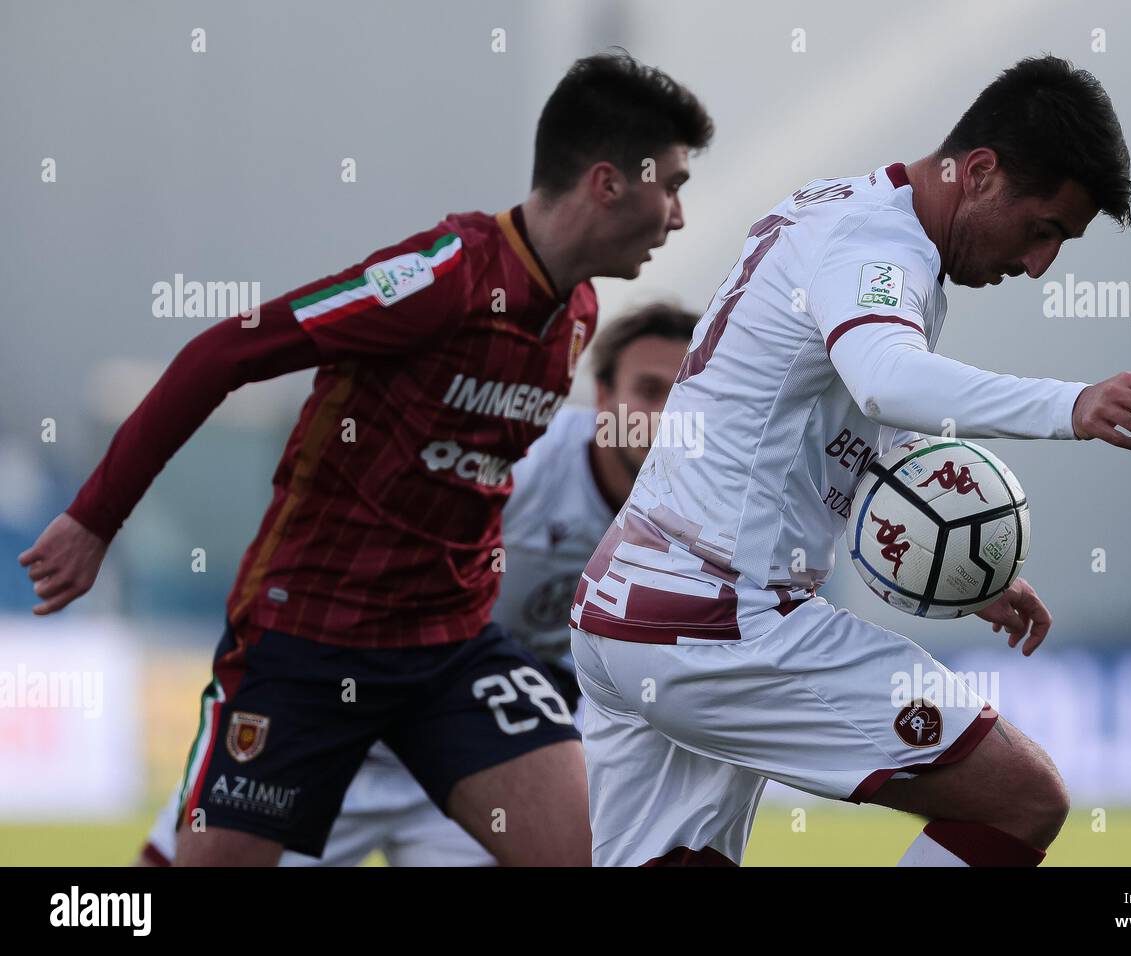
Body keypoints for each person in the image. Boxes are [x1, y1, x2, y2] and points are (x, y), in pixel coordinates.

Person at [20, 53, 713, 867]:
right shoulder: (441, 277)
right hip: (310, 640)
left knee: (587, 856)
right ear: (607, 182)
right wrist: (93, 521)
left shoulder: (579, 313)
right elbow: (221, 352)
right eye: (671, 185)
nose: (677, 216)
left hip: (449, 649)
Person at [569, 55, 1131, 867]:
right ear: (983, 172)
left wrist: (958, 553)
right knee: (1021, 801)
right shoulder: (877, 246)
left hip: (629, 602)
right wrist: (1070, 405)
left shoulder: (839, 211)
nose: (1040, 267)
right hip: (721, 618)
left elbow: (818, 424)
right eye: (1045, 230)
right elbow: (886, 383)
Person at [135, 304, 696, 866]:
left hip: (479, 756)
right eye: (648, 390)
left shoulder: (712, 512)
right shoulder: (523, 466)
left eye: (684, 394)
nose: (664, 414)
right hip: (347, 738)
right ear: (601, 396)